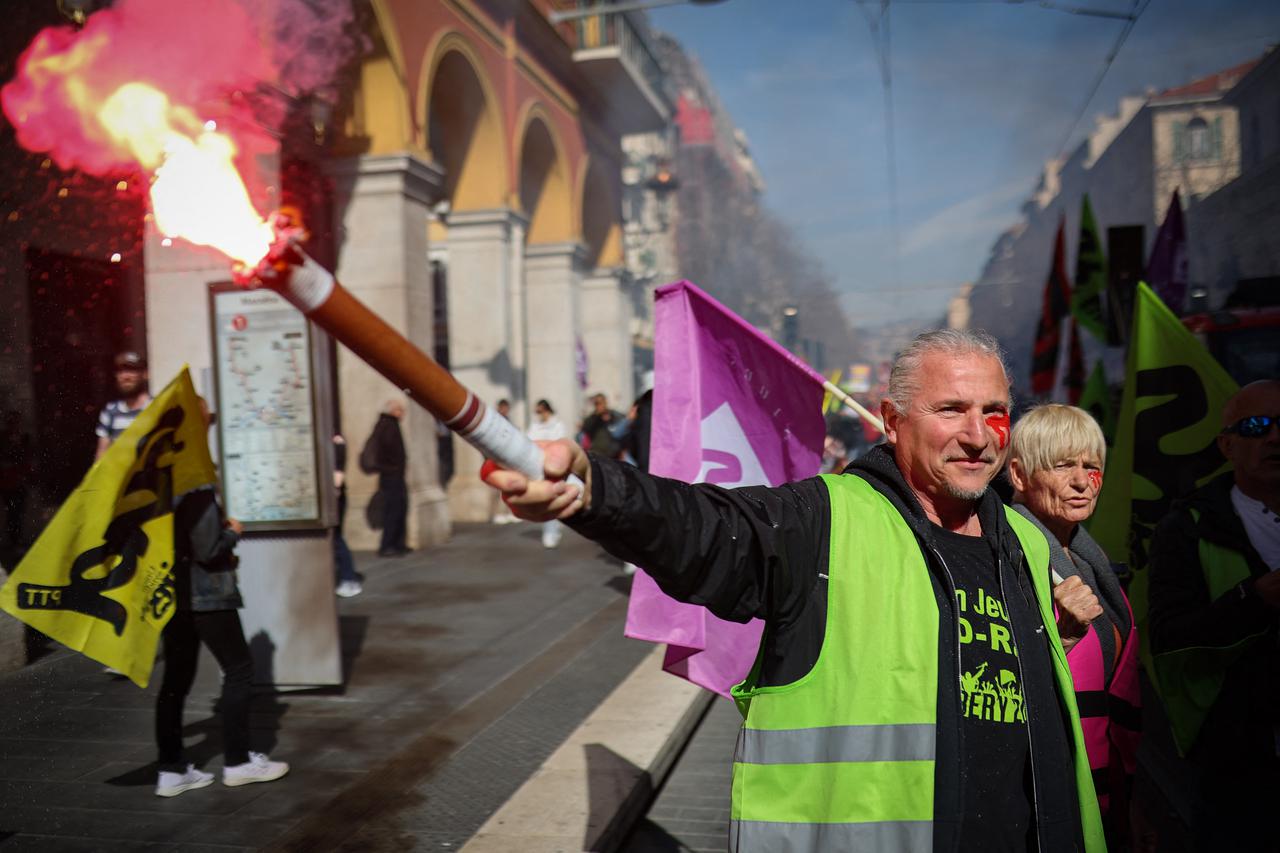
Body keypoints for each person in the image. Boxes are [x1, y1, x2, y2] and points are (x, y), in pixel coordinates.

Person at [485, 329, 1105, 851]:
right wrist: (594, 489)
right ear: (891, 422)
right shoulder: (824, 521)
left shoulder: (1023, 543)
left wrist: (1055, 637)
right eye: (950, 410)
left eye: (993, 411)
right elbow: (704, 528)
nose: (979, 434)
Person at [1147, 379, 1280, 850]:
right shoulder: (1187, 528)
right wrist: (1254, 599)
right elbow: (1169, 639)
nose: (1274, 437)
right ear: (1227, 444)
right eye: (1257, 425)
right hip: (1241, 773)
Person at [1006, 404, 1140, 837]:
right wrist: (1059, 636)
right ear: (1019, 476)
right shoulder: (1005, 559)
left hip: (1107, 788)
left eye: (1092, 466)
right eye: (1062, 465)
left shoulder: (1088, 561)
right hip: (1049, 797)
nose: (1082, 481)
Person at [155, 397, 288, 797]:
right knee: (240, 669)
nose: (212, 426)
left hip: (175, 592)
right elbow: (209, 548)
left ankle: (172, 769)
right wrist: (233, 530)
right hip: (208, 593)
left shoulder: (164, 475)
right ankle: (238, 762)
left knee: (176, 680)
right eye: (209, 421)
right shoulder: (195, 480)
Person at [364, 399, 409, 557]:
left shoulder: (389, 424)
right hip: (391, 475)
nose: (403, 414)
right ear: (393, 411)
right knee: (393, 510)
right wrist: (394, 466)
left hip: (393, 474)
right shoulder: (388, 425)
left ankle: (398, 543)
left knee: (400, 508)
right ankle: (388, 545)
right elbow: (389, 450)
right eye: (400, 410)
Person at [95, 351, 151, 459]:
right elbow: (101, 458)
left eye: (131, 370)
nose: (125, 376)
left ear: (145, 374)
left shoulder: (156, 408)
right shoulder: (110, 413)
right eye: (121, 371)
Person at [527, 400, 566, 549]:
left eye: (540, 411)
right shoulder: (535, 426)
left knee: (553, 498)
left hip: (554, 466)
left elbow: (560, 443)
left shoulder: (558, 425)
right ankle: (549, 530)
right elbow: (529, 440)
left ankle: (552, 530)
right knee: (544, 500)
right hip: (538, 467)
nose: (539, 415)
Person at [332, 433, 362, 597]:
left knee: (336, 538)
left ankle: (348, 579)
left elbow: (338, 471)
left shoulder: (337, 442)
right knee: (336, 539)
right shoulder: (335, 441)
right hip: (336, 497)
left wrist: (335, 487)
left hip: (335, 498)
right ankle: (346, 577)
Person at [0, 411, 32, 560]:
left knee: (18, 511)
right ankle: (14, 541)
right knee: (12, 512)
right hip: (7, 482)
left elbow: (28, 457)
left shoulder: (24, 438)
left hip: (19, 481)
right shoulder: (4, 439)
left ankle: (16, 541)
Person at [580, 393, 624, 459]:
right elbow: (585, 428)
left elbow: (623, 425)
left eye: (600, 403)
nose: (599, 406)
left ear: (605, 402)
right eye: (596, 404)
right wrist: (597, 416)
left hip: (614, 455)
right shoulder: (592, 418)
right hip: (598, 455)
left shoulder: (614, 415)